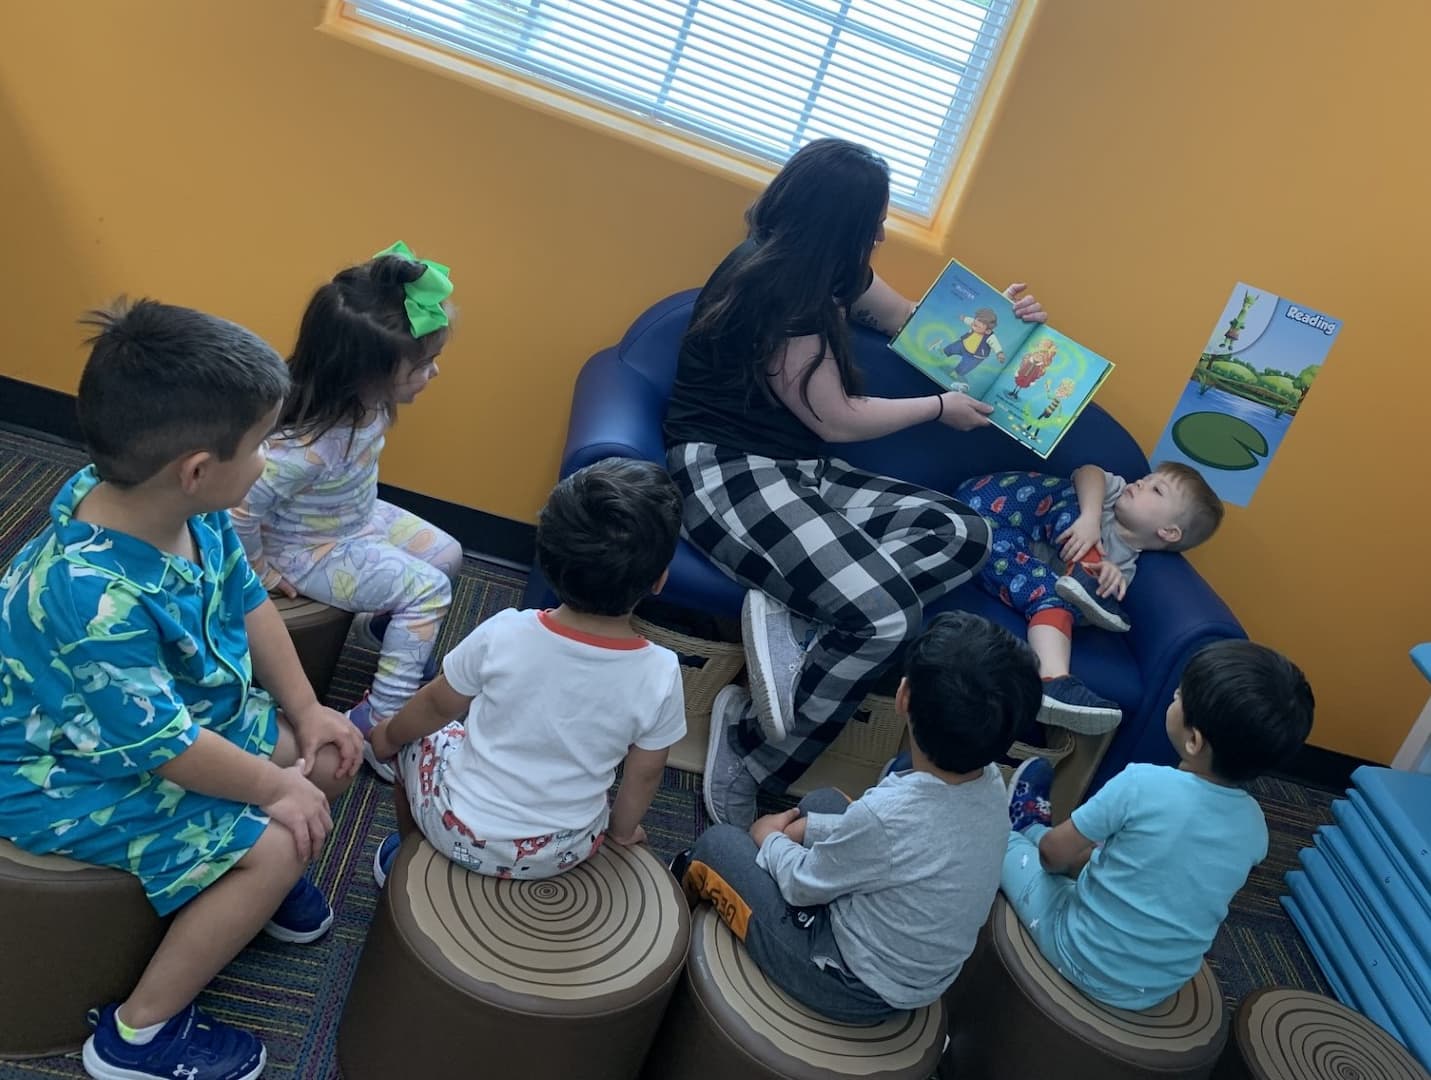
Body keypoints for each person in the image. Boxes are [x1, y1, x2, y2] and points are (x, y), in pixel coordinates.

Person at [0, 300, 365, 1080]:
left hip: (173, 719)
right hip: (61, 769)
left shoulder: (183, 509)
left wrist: (306, 710)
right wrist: (274, 789)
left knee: (330, 755)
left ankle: (247, 886)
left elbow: (249, 601)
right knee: (280, 840)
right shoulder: (89, 598)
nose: (266, 461)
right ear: (197, 469)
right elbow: (165, 749)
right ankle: (137, 1037)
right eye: (261, 444)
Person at [662, 136, 1047, 829]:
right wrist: (938, 408)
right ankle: (751, 750)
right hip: (723, 468)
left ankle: (799, 616)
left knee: (964, 532)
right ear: (839, 224)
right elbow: (835, 418)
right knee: (885, 619)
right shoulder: (780, 290)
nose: (881, 234)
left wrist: (1006, 331)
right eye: (873, 222)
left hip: (795, 471)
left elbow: (913, 324)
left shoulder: (831, 268)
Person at [673, 613, 1041, 1022]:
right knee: (823, 804)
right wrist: (811, 829)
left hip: (847, 982)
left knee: (719, 845)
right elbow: (895, 843)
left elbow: (800, 885)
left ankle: (675, 912)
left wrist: (768, 838)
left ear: (903, 696)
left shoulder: (888, 816)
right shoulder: (991, 784)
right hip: (913, 970)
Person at [366, 458, 687, 883]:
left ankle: (409, 857)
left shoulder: (505, 632)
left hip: (457, 827)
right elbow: (645, 774)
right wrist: (623, 832)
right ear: (659, 580)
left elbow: (436, 705)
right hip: (564, 848)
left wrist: (388, 736)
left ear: (547, 562)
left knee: (418, 741)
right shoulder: (661, 672)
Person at [231, 241, 463, 783]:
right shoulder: (300, 449)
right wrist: (261, 570)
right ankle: (378, 727)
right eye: (422, 365)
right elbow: (239, 511)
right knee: (429, 590)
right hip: (308, 549)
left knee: (448, 554)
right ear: (364, 372)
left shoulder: (366, 401)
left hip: (352, 519)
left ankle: (384, 632)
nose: (434, 373)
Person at [1003, 640, 1313, 1010]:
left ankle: (1023, 824)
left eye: (1179, 697)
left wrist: (1051, 852)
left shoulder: (1140, 785)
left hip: (1079, 952)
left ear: (1194, 740)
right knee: (1109, 856)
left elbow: (1052, 858)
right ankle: (1038, 829)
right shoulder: (1256, 829)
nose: (1174, 697)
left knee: (1011, 844)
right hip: (1155, 987)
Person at [957, 463, 1224, 731]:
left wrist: (1103, 577)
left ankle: (1053, 681)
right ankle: (1085, 565)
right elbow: (1088, 472)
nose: (1141, 482)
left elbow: (1074, 599)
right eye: (1146, 478)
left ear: (1168, 531)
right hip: (989, 501)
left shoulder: (1122, 569)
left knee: (1052, 596)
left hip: (990, 543)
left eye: (1156, 490)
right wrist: (1090, 518)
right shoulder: (1112, 495)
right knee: (1073, 505)